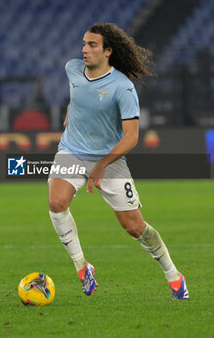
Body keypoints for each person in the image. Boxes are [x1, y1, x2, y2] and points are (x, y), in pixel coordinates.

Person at [48, 22, 189, 300]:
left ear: (108, 51)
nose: (84, 50)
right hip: (72, 151)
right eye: (84, 44)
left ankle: (173, 275)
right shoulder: (72, 69)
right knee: (56, 202)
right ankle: (82, 267)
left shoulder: (122, 88)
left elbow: (131, 137)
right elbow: (77, 95)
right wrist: (70, 109)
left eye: (92, 45)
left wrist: (101, 164)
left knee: (134, 227)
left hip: (109, 160)